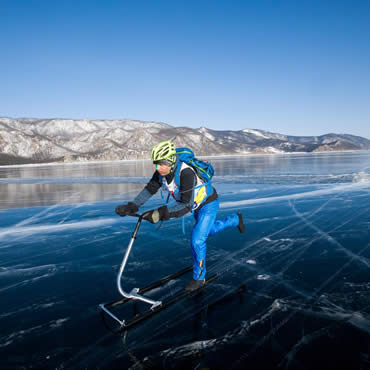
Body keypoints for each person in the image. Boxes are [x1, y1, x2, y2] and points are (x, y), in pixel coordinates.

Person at [115, 140, 245, 291]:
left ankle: (199, 278)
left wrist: (160, 214)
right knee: (209, 231)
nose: (157, 167)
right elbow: (150, 189)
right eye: (155, 164)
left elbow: (185, 205)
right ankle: (235, 219)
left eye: (160, 163)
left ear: (170, 161)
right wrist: (133, 205)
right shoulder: (161, 172)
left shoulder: (186, 172)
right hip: (195, 204)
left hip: (208, 203)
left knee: (197, 240)